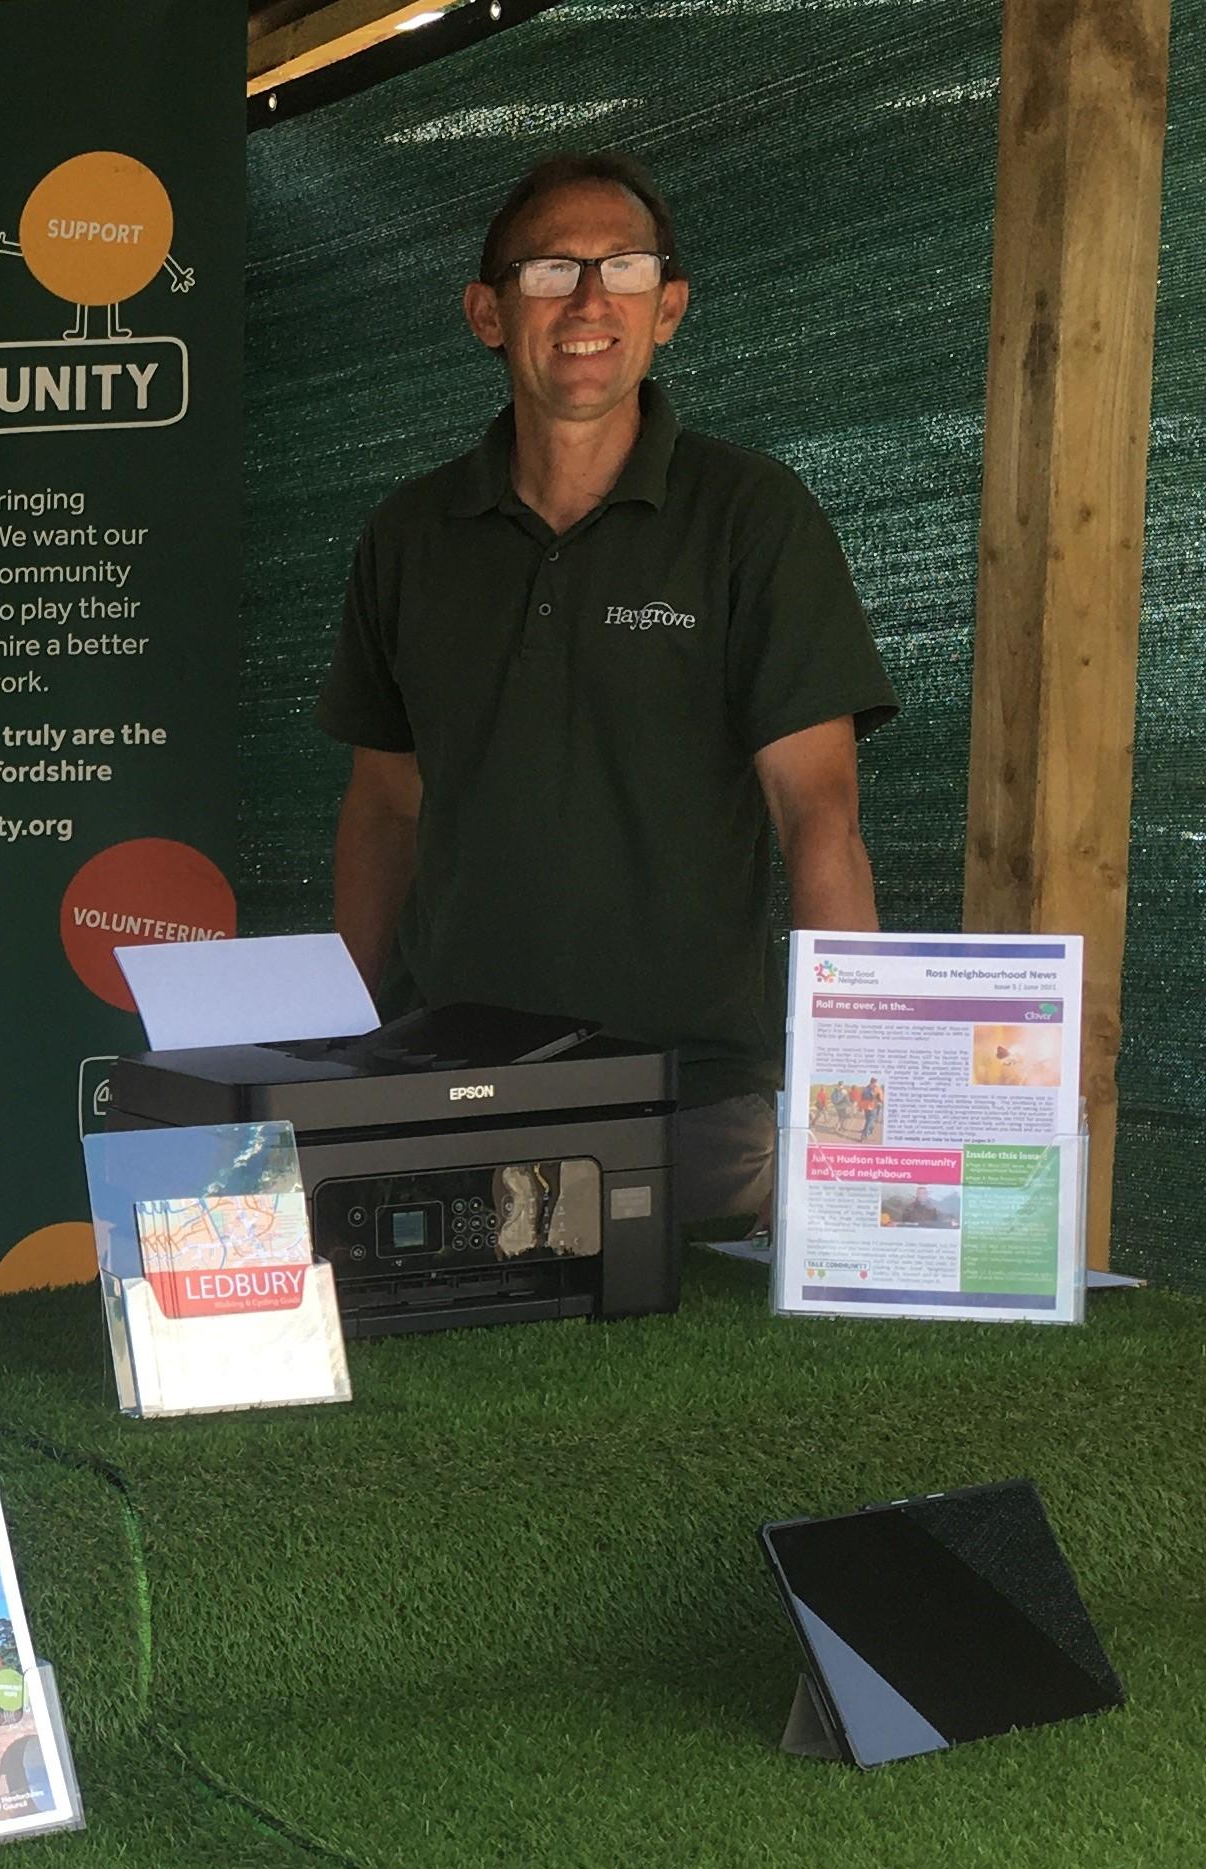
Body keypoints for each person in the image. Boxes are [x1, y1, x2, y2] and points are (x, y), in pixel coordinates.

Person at [325, 152, 889, 1222]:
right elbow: (384, 806)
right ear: (488, 314)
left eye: (621, 269)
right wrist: (335, 1054)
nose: (588, 300)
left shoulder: (752, 518)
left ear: (667, 307)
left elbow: (818, 815)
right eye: (549, 271)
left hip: (685, 1108)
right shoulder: (409, 535)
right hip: (445, 1091)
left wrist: (847, 1117)